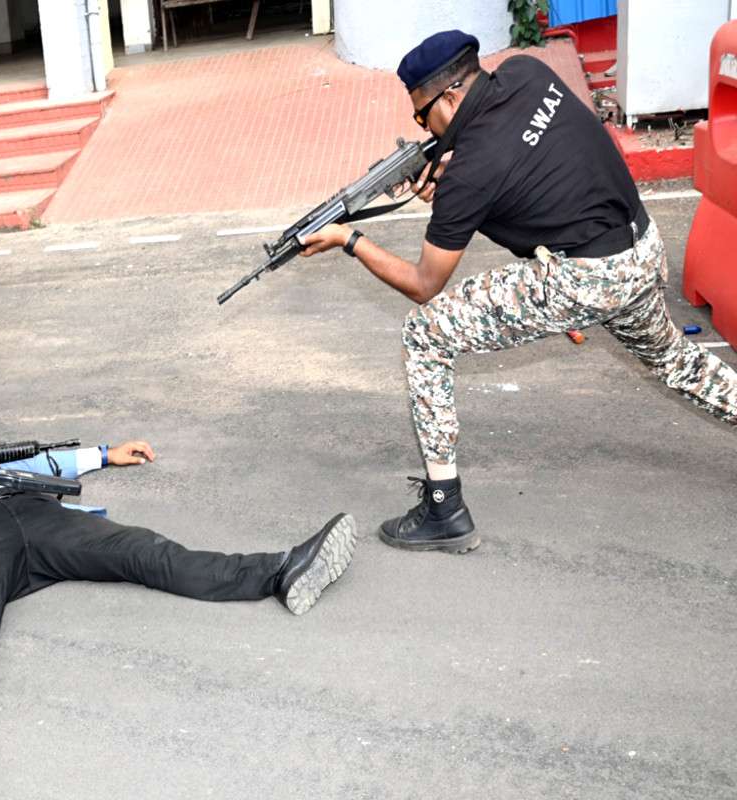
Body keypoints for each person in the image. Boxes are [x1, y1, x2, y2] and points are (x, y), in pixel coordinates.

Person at [299, 30, 737, 554]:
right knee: (675, 361)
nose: (423, 126)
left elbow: (424, 284)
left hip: (585, 278)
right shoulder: (529, 73)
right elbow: (532, 162)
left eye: (423, 116)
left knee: (425, 335)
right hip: (641, 248)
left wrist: (352, 240)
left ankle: (444, 508)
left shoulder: (470, 177)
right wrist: (453, 178)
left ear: (452, 97)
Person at [0, 440, 358, 799]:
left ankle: (280, 573)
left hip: (36, 513)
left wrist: (107, 454)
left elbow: (45, 457)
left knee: (145, 552)